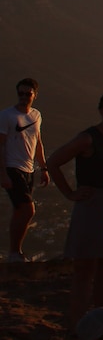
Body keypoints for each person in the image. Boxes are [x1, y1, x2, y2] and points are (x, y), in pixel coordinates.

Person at [48, 90, 103, 331]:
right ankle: (77, 328)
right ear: (100, 109)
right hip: (92, 207)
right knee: (84, 272)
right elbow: (53, 162)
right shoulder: (88, 138)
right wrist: (70, 193)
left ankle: (101, 327)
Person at [0, 77, 49, 262]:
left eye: (27, 94)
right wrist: (3, 173)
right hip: (12, 167)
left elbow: (38, 143)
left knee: (19, 211)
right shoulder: (6, 116)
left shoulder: (36, 115)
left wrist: (43, 168)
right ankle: (14, 252)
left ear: (34, 95)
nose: (23, 97)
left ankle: (15, 252)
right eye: (20, 93)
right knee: (28, 210)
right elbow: (1, 146)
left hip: (29, 169)